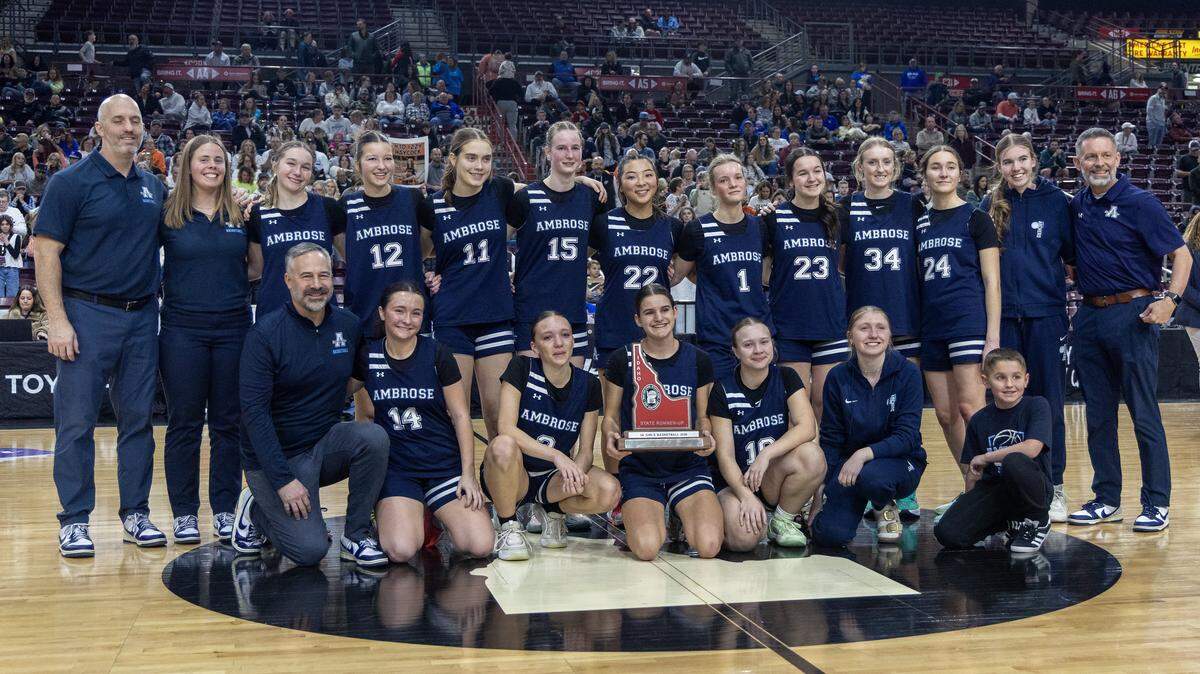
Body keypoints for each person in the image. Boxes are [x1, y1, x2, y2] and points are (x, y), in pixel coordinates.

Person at [33, 94, 167, 557]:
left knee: (138, 423)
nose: (129, 128)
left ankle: (136, 513)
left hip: (141, 316)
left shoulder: (154, 186)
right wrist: (56, 320)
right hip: (86, 315)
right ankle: (73, 520)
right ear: (100, 127)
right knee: (76, 424)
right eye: (119, 121)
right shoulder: (70, 182)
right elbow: (45, 251)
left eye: (135, 120)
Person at [232, 243, 389, 566]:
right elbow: (254, 416)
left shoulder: (347, 325)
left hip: (322, 442)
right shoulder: (265, 335)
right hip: (277, 458)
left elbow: (359, 374)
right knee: (310, 551)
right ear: (288, 280)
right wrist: (283, 482)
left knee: (373, 438)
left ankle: (356, 534)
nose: (316, 284)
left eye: (324, 275)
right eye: (306, 276)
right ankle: (257, 509)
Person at [1067, 127, 1190, 532]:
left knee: (1143, 413)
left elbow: (1182, 254)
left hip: (1134, 312)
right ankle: (1106, 498)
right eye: (1091, 157)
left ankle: (1156, 503)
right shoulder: (1078, 204)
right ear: (1078, 163)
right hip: (1089, 316)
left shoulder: (1141, 202)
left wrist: (1170, 299)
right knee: (1098, 416)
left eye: (1106, 155)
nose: (1099, 163)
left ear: (1119, 159)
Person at [348, 281, 492, 563]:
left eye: (416, 313)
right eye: (399, 310)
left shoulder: (437, 354)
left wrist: (468, 474)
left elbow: (461, 416)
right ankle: (405, 512)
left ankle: (434, 514)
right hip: (398, 469)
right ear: (382, 313)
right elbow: (364, 414)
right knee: (401, 550)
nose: (407, 319)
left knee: (480, 545)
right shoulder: (368, 356)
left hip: (442, 465)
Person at [158, 135, 256, 545]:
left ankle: (224, 509)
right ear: (187, 166)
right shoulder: (167, 214)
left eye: (219, 159)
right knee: (183, 423)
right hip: (182, 330)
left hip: (234, 328)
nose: (212, 165)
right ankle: (183, 513)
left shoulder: (244, 211)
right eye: (204, 159)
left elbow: (256, 268)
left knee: (227, 425)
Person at [982, 133, 1074, 522]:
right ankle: (1002, 487)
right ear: (999, 167)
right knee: (1002, 404)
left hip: (1046, 315)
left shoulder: (1057, 203)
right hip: (1004, 319)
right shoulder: (989, 205)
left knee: (1049, 402)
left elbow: (1072, 258)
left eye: (1023, 159)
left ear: (1034, 160)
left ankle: (1054, 487)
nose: (1016, 167)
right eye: (1008, 162)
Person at [481, 311, 619, 560]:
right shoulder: (521, 367)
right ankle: (508, 523)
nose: (559, 343)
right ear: (534, 347)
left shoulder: (588, 384)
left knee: (609, 490)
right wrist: (557, 456)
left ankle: (553, 512)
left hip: (551, 480)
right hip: (515, 472)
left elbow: (586, 450)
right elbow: (506, 427)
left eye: (565, 335)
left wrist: (574, 475)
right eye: (548, 337)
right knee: (502, 445)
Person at [602, 284, 722, 560]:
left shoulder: (698, 359)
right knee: (646, 550)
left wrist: (706, 434)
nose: (658, 318)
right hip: (641, 469)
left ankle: (679, 514)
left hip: (687, 467)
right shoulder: (623, 359)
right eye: (649, 312)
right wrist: (610, 436)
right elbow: (609, 416)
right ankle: (637, 512)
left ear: (675, 312)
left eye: (664, 309)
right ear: (637, 319)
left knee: (708, 546)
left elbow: (703, 416)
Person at [837, 138, 922, 517]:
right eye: (872, 162)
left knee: (904, 411)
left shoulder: (912, 204)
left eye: (887, 162)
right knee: (864, 409)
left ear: (896, 168)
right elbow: (839, 263)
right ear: (860, 169)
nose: (880, 168)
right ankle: (866, 482)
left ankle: (904, 487)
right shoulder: (846, 208)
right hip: (863, 322)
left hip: (904, 319)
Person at [915, 145, 1001, 512]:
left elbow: (992, 281)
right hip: (931, 325)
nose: (944, 173)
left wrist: (992, 336)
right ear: (926, 175)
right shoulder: (918, 221)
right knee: (945, 414)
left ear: (960, 174)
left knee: (970, 408)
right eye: (936, 167)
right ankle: (973, 486)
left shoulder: (976, 218)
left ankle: (995, 489)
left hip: (967, 321)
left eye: (951, 167)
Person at [419, 128, 519, 441]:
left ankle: (501, 486)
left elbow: (546, 190)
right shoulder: (433, 206)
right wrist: (426, 275)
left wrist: (582, 179)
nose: (479, 166)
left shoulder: (499, 191)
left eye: (486, 159)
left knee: (496, 412)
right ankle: (460, 483)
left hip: (495, 315)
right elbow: (419, 254)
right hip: (452, 316)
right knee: (455, 411)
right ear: (453, 159)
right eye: (471, 157)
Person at [810, 306, 926, 546]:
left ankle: (885, 505)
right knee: (829, 536)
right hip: (850, 467)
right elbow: (831, 437)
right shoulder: (837, 377)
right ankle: (863, 502)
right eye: (864, 328)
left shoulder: (909, 373)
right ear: (850, 337)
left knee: (874, 477)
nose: (873, 334)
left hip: (900, 463)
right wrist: (821, 489)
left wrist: (863, 454)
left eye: (880, 328)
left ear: (890, 335)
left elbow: (906, 436)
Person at [709, 318, 824, 550]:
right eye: (748, 345)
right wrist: (745, 495)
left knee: (812, 454)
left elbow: (806, 426)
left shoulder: (786, 377)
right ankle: (710, 516)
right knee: (744, 540)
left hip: (769, 475)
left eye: (764, 342)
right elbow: (725, 457)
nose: (759, 350)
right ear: (736, 351)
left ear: (772, 344)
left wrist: (766, 455)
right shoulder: (723, 389)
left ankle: (782, 520)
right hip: (735, 481)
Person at [934, 349, 1054, 553]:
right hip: (996, 492)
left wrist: (988, 456)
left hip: (1034, 492)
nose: (1009, 384)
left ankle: (1038, 521)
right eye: (1000, 378)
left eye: (1016, 377)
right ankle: (1009, 523)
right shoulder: (979, 420)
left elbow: (1032, 448)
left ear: (1026, 380)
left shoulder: (1037, 405)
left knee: (1014, 460)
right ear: (986, 381)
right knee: (947, 533)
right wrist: (969, 505)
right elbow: (974, 470)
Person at [510, 122, 607, 368]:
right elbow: (493, 240)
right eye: (561, 148)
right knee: (532, 396)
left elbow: (592, 244)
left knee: (570, 397)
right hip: (531, 309)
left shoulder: (591, 197)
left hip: (572, 309)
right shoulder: (526, 197)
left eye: (575, 148)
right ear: (547, 152)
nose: (569, 154)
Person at [672, 154, 771, 381]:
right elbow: (676, 276)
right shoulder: (698, 229)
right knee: (718, 406)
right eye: (724, 180)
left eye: (738, 177)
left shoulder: (760, 226)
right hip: (717, 335)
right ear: (714, 188)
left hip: (757, 330)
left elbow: (765, 276)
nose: (733, 183)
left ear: (746, 183)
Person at [766, 149, 847, 421]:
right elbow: (764, 274)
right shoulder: (774, 218)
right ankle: (800, 464)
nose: (812, 178)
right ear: (791, 181)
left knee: (825, 403)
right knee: (796, 407)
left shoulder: (838, 217)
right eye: (802, 173)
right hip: (790, 325)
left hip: (830, 322)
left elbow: (844, 265)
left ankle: (824, 463)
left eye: (816, 170)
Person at [246, 140, 345, 318]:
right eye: (291, 163)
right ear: (275, 164)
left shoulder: (329, 208)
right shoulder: (257, 213)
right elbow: (256, 270)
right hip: (273, 314)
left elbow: (351, 258)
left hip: (320, 315)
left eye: (306, 167)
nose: (297, 172)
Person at [339, 131, 423, 331]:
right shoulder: (345, 206)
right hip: (364, 313)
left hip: (410, 316)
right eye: (372, 159)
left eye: (388, 158)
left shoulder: (412, 198)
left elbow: (428, 247)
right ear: (358, 165)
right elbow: (346, 252)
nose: (382, 166)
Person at [0, 213, 23, 298]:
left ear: (10, 225)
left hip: (12, 269)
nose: (5, 226)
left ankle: (13, 312)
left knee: (12, 297)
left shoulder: (16, 237)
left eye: (7, 224)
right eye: (2, 224)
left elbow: (15, 255)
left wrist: (6, 242)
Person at [1145, 85, 1167, 149]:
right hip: (1152, 123)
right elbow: (1149, 111)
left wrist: (1163, 121)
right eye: (1162, 89)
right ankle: (1151, 155)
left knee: (1159, 143)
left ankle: (1156, 155)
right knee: (1152, 142)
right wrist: (1154, 122)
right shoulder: (1153, 98)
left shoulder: (1163, 99)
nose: (1163, 91)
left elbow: (1162, 111)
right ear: (1158, 89)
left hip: (1161, 123)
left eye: (1165, 90)